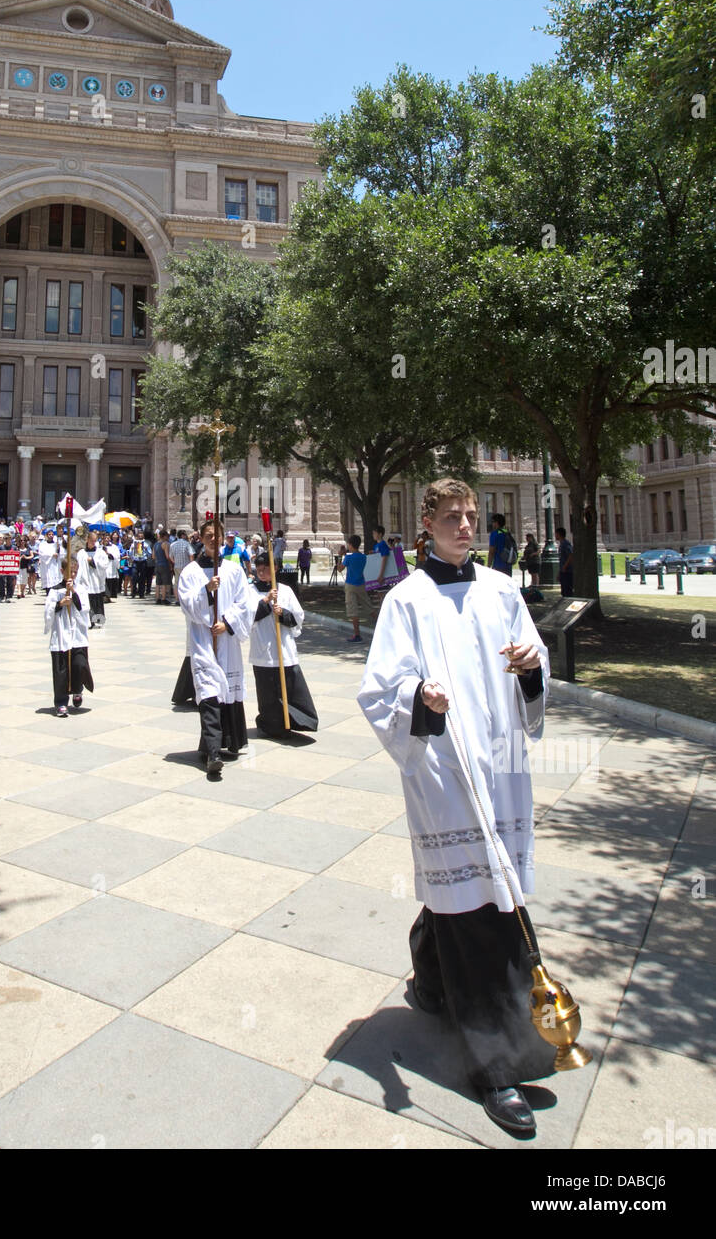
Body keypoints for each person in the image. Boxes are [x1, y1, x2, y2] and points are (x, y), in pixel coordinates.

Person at [358, 477, 554, 1136]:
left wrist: (530, 665)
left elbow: (534, 664)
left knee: (487, 895)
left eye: (471, 516)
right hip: (442, 770)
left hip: (498, 770)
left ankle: (431, 978)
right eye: (451, 517)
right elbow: (379, 688)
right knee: (474, 910)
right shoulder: (406, 600)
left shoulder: (502, 590)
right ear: (427, 522)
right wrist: (419, 699)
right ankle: (495, 1066)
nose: (465, 526)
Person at [176, 517, 254, 778]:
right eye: (208, 535)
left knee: (227, 691)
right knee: (209, 692)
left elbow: (245, 603)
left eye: (216, 535)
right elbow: (187, 605)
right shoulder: (191, 572)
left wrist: (228, 623)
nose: (212, 539)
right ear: (200, 537)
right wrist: (207, 591)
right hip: (203, 641)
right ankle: (212, 754)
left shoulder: (233, 571)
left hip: (227, 641)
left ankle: (227, 742)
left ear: (223, 538)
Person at [247, 552, 318, 738]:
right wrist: (265, 602)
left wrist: (283, 613)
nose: (261, 574)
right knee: (268, 691)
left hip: (284, 648)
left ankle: (294, 721)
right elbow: (246, 619)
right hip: (263, 649)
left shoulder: (285, 590)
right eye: (259, 570)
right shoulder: (251, 591)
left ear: (275, 569)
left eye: (265, 570)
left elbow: (298, 617)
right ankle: (271, 724)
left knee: (290, 687)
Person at [44, 558, 94, 716]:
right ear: (61, 572)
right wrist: (59, 604)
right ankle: (60, 702)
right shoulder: (54, 591)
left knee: (79, 664)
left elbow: (85, 610)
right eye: (69, 572)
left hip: (77, 636)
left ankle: (78, 689)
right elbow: (47, 613)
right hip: (61, 635)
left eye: (75, 572)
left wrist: (73, 593)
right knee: (61, 671)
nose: (72, 575)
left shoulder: (81, 589)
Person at [339, 535, 367, 643]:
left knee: (353, 611)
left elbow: (340, 569)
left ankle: (357, 635)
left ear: (350, 545)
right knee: (369, 607)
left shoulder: (348, 558)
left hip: (350, 585)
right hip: (361, 583)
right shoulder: (363, 557)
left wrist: (340, 556)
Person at [76, 530, 108, 627]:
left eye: (95, 541)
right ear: (87, 540)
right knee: (87, 602)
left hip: (96, 581)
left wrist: (93, 561)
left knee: (97, 601)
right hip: (85, 581)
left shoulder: (100, 552)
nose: (93, 543)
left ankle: (99, 621)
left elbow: (104, 565)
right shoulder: (81, 553)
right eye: (91, 541)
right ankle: (89, 622)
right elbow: (78, 566)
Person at [153, 529, 173, 604]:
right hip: (164, 564)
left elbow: (153, 556)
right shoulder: (165, 544)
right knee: (164, 583)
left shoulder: (155, 544)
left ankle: (157, 598)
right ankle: (163, 598)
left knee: (158, 583)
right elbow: (167, 556)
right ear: (164, 536)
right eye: (167, 536)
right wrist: (170, 563)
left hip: (157, 564)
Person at [556, 526, 574, 597]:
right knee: (564, 591)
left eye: (556, 534)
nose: (555, 536)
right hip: (563, 571)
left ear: (559, 534)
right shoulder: (561, 544)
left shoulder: (565, 543)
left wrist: (565, 567)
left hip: (567, 571)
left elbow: (571, 555)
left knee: (567, 590)